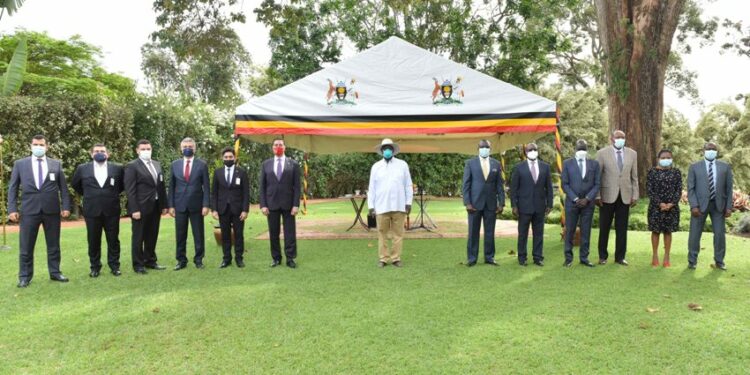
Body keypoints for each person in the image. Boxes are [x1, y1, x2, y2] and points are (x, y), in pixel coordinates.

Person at [8, 134, 72, 288]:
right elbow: (13, 188)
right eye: (36, 144)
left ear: (47, 146)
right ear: (30, 146)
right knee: (26, 246)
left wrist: (66, 207)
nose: (38, 147)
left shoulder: (55, 164)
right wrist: (12, 209)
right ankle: (24, 276)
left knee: (53, 244)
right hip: (29, 211)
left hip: (51, 210)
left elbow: (63, 188)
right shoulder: (20, 164)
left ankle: (55, 272)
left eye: (41, 145)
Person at [71, 144, 125, 277]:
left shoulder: (117, 168)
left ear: (108, 154)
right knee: (93, 239)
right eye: (96, 151)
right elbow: (75, 184)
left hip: (111, 209)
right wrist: (90, 194)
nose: (99, 153)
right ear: (91, 154)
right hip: (92, 210)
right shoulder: (82, 168)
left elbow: (122, 185)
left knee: (113, 239)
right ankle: (95, 267)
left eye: (102, 151)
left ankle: (114, 266)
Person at [123, 139, 168, 274]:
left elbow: (160, 185)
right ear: (137, 150)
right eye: (143, 149)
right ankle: (138, 264)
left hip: (155, 206)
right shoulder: (132, 166)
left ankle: (150, 260)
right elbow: (130, 190)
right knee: (139, 236)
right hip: (140, 208)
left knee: (152, 234)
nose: (146, 151)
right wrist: (134, 209)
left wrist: (164, 204)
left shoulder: (157, 164)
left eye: (148, 149)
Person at [687, 142, 733, 270]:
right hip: (699, 207)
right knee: (695, 234)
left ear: (717, 151)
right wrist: (694, 206)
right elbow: (690, 188)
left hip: (719, 207)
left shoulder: (725, 167)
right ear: (704, 151)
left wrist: (729, 207)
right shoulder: (694, 167)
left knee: (719, 235)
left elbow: (729, 189)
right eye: (709, 149)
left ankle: (719, 261)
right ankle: (692, 261)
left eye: (713, 149)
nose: (711, 151)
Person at [367, 138, 413, 268]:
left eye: (389, 148)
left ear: (393, 150)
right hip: (381, 206)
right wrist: (371, 206)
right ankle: (383, 258)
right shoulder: (376, 167)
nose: (387, 150)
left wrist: (408, 202)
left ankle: (396, 258)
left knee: (398, 234)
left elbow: (408, 185)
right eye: (385, 148)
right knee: (382, 233)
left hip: (399, 205)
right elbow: (372, 188)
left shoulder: (402, 165)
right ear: (381, 151)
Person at [596, 130, 638, 266]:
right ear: (611, 139)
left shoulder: (632, 154)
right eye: (618, 137)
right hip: (607, 196)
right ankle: (602, 256)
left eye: (623, 137)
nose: (620, 139)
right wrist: (597, 195)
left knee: (622, 228)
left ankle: (620, 257)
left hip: (625, 196)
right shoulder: (602, 153)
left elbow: (634, 177)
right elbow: (597, 176)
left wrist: (635, 195)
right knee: (604, 227)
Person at [169, 137, 210, 270]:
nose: (188, 148)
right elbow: (171, 186)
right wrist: (171, 206)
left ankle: (199, 260)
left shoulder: (202, 165)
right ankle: (181, 260)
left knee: (198, 234)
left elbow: (207, 187)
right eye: (185, 146)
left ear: (194, 148)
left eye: (190, 146)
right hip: (179, 205)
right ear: (181, 148)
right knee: (180, 235)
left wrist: (206, 205)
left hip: (197, 205)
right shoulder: (174, 165)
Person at [259, 138, 301, 268]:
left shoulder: (293, 164)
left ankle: (290, 258)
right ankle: (276, 258)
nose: (278, 147)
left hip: (289, 205)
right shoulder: (266, 164)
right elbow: (262, 186)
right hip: (271, 204)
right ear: (272, 147)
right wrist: (263, 205)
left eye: (280, 145)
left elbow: (297, 187)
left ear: (285, 147)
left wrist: (296, 204)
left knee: (290, 233)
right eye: (276, 145)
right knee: (273, 232)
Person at [461, 139, 505, 267]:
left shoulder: (496, 164)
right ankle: (472, 258)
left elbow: (499, 186)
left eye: (487, 147)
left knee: (490, 232)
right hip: (474, 204)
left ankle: (489, 257)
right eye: (482, 147)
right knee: (473, 232)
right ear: (478, 148)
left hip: (491, 204)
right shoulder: (470, 163)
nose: (484, 149)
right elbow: (466, 185)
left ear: (490, 149)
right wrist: (467, 203)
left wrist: (501, 203)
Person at [509, 143, 553, 267]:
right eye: (530, 150)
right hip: (524, 206)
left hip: (540, 206)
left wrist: (549, 203)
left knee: (539, 233)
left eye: (535, 149)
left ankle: (538, 257)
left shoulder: (545, 167)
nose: (533, 151)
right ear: (525, 152)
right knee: (523, 233)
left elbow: (549, 187)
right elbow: (514, 188)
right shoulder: (519, 168)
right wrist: (514, 205)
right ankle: (522, 257)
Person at [560, 139, 600, 267]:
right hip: (572, 203)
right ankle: (568, 258)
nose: (581, 151)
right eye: (579, 149)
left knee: (586, 231)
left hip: (588, 204)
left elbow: (597, 184)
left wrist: (587, 198)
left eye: (584, 149)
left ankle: (584, 258)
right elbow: (564, 184)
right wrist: (576, 199)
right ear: (575, 149)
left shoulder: (594, 164)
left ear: (587, 150)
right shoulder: (567, 163)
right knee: (570, 230)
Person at [211, 147, 250, 268]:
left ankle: (239, 259)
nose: (228, 159)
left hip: (238, 210)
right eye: (226, 157)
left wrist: (245, 210)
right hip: (223, 209)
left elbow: (246, 193)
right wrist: (214, 209)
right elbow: (214, 193)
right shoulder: (218, 173)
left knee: (239, 235)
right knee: (225, 235)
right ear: (222, 158)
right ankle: (226, 259)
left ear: (234, 158)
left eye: (230, 157)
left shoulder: (241, 172)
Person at [646, 149, 682, 268]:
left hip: (672, 207)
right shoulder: (652, 172)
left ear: (671, 159)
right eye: (663, 157)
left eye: (668, 157)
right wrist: (660, 203)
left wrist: (672, 203)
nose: (666, 159)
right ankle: (655, 255)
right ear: (659, 159)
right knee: (655, 231)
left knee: (668, 231)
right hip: (656, 207)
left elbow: (678, 189)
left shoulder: (676, 172)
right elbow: (650, 190)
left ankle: (667, 256)